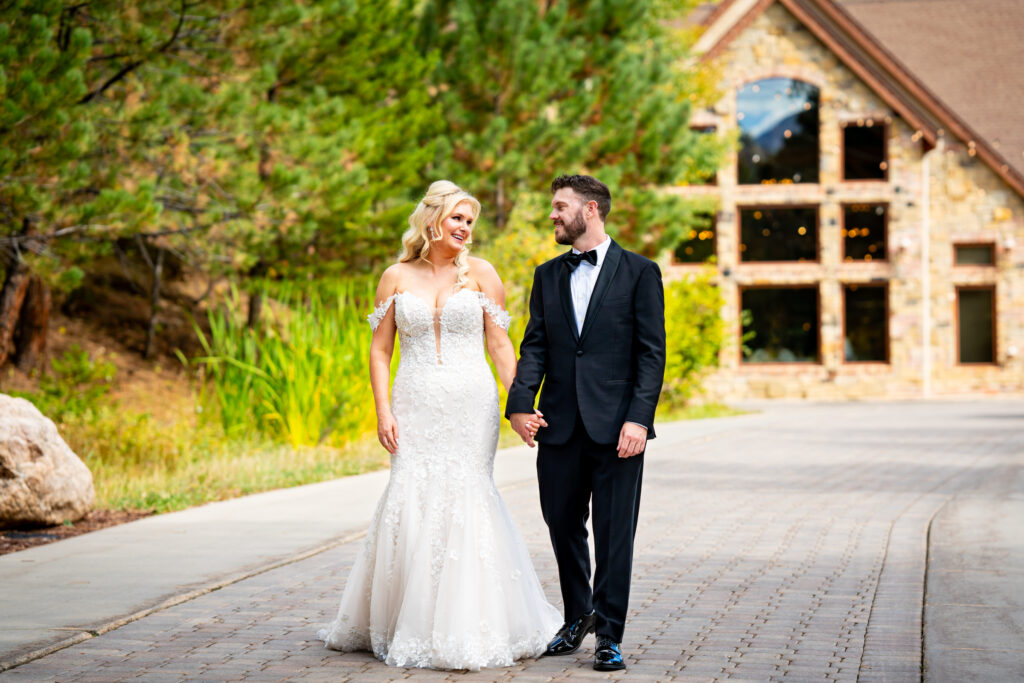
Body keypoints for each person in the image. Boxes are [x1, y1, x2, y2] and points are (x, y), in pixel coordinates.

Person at [317, 180, 561, 671]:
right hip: (414, 403)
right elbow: (380, 349)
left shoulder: (483, 274)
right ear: (432, 220)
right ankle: (399, 619)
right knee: (409, 492)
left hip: (471, 404)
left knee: (467, 493)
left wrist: (519, 405)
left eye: (470, 221)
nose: (466, 229)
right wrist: (383, 410)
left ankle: (469, 622)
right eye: (457, 219)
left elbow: (499, 347)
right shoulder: (395, 276)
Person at [506, 174, 667, 672]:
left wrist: (639, 420)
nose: (552, 215)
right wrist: (518, 404)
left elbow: (651, 354)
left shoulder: (641, 272)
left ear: (591, 209)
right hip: (558, 425)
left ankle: (610, 636)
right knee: (561, 524)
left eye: (560, 207)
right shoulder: (546, 275)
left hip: (619, 429)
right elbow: (534, 346)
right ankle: (578, 616)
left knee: (615, 532)